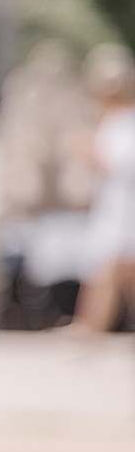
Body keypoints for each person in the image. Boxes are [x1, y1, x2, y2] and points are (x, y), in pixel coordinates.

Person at [70, 44, 135, 335]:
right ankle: (87, 330)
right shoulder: (113, 120)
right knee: (110, 274)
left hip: (124, 213)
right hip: (114, 210)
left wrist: (89, 151)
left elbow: (121, 164)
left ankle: (88, 330)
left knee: (109, 273)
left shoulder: (125, 122)